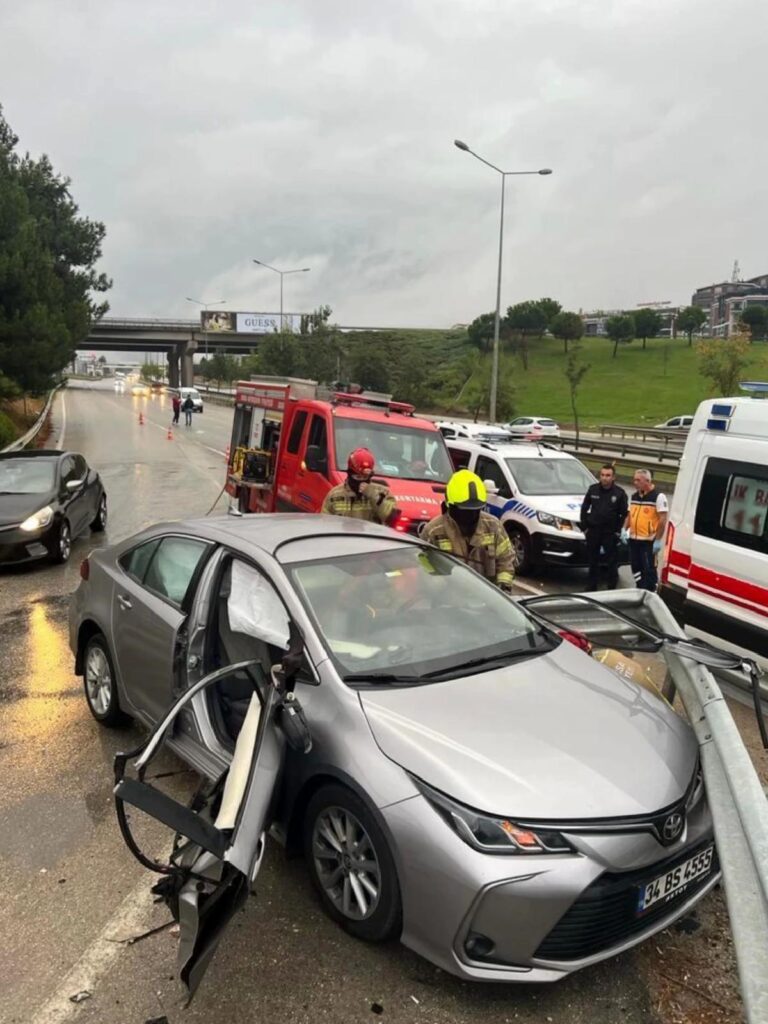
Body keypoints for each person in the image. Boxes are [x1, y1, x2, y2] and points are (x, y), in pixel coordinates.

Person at [421, 470, 515, 591]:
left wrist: (503, 587)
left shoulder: (493, 526)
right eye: (465, 510)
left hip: (488, 600)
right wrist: (439, 589)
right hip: (447, 602)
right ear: (450, 505)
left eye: (476, 510)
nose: (471, 515)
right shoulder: (433, 531)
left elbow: (506, 560)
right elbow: (425, 570)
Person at [580, 463, 628, 590]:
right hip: (594, 530)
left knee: (611, 561)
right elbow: (584, 508)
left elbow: (624, 514)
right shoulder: (593, 489)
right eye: (602, 475)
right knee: (592, 560)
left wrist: (618, 531)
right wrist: (585, 527)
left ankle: (611, 586)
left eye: (608, 475)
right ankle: (591, 585)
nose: (605, 478)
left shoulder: (619, 493)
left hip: (610, 533)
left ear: (613, 477)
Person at [321, 447, 399, 524]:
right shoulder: (335, 494)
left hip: (370, 536)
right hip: (342, 536)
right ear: (350, 474)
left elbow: (391, 518)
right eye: (358, 477)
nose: (362, 481)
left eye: (365, 477)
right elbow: (325, 523)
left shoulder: (383, 493)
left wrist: (373, 495)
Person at [624, 468, 668, 592]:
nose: (635, 482)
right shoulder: (634, 496)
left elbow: (663, 519)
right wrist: (624, 529)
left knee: (649, 569)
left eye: (638, 480)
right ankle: (640, 588)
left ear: (647, 481)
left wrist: (658, 540)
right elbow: (630, 515)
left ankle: (651, 593)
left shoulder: (658, 497)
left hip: (648, 542)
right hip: (634, 539)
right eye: (634, 479)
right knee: (635, 567)